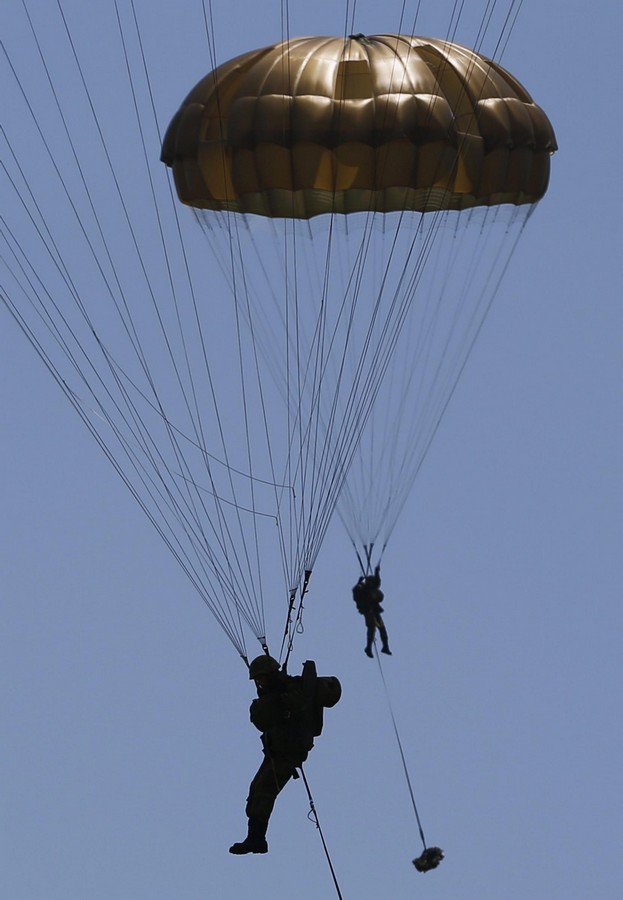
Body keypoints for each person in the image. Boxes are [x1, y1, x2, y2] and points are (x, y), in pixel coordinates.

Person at [229, 654, 341, 855]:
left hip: (288, 753)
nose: (259, 683)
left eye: (261, 678)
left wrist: (277, 698)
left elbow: (300, 703)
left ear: (270, 675)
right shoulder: (277, 692)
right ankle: (255, 838)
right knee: (256, 790)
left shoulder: (292, 688)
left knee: (264, 790)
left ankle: (256, 840)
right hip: (277, 752)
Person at [353, 565, 391, 657]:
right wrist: (359, 582)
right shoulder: (362, 589)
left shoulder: (373, 588)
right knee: (372, 627)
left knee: (382, 629)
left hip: (375, 611)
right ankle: (368, 647)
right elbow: (356, 591)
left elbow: (377, 582)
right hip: (368, 610)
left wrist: (377, 571)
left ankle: (385, 647)